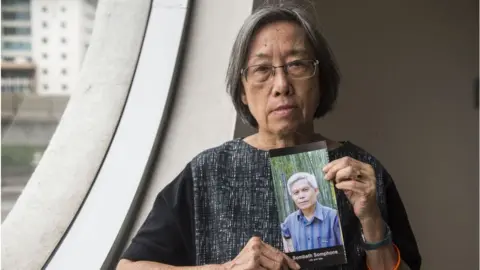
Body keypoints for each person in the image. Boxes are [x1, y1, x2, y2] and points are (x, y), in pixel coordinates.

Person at [117, 3, 421, 270]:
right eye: (262, 69)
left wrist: (372, 222)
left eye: (297, 64)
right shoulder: (207, 173)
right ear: (243, 91)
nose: (281, 85)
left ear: (320, 78)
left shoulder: (363, 172)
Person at [280, 172, 342, 252]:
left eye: (305, 190)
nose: (301, 196)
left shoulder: (334, 217)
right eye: (296, 193)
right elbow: (282, 233)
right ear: (292, 197)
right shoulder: (290, 220)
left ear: (316, 191)